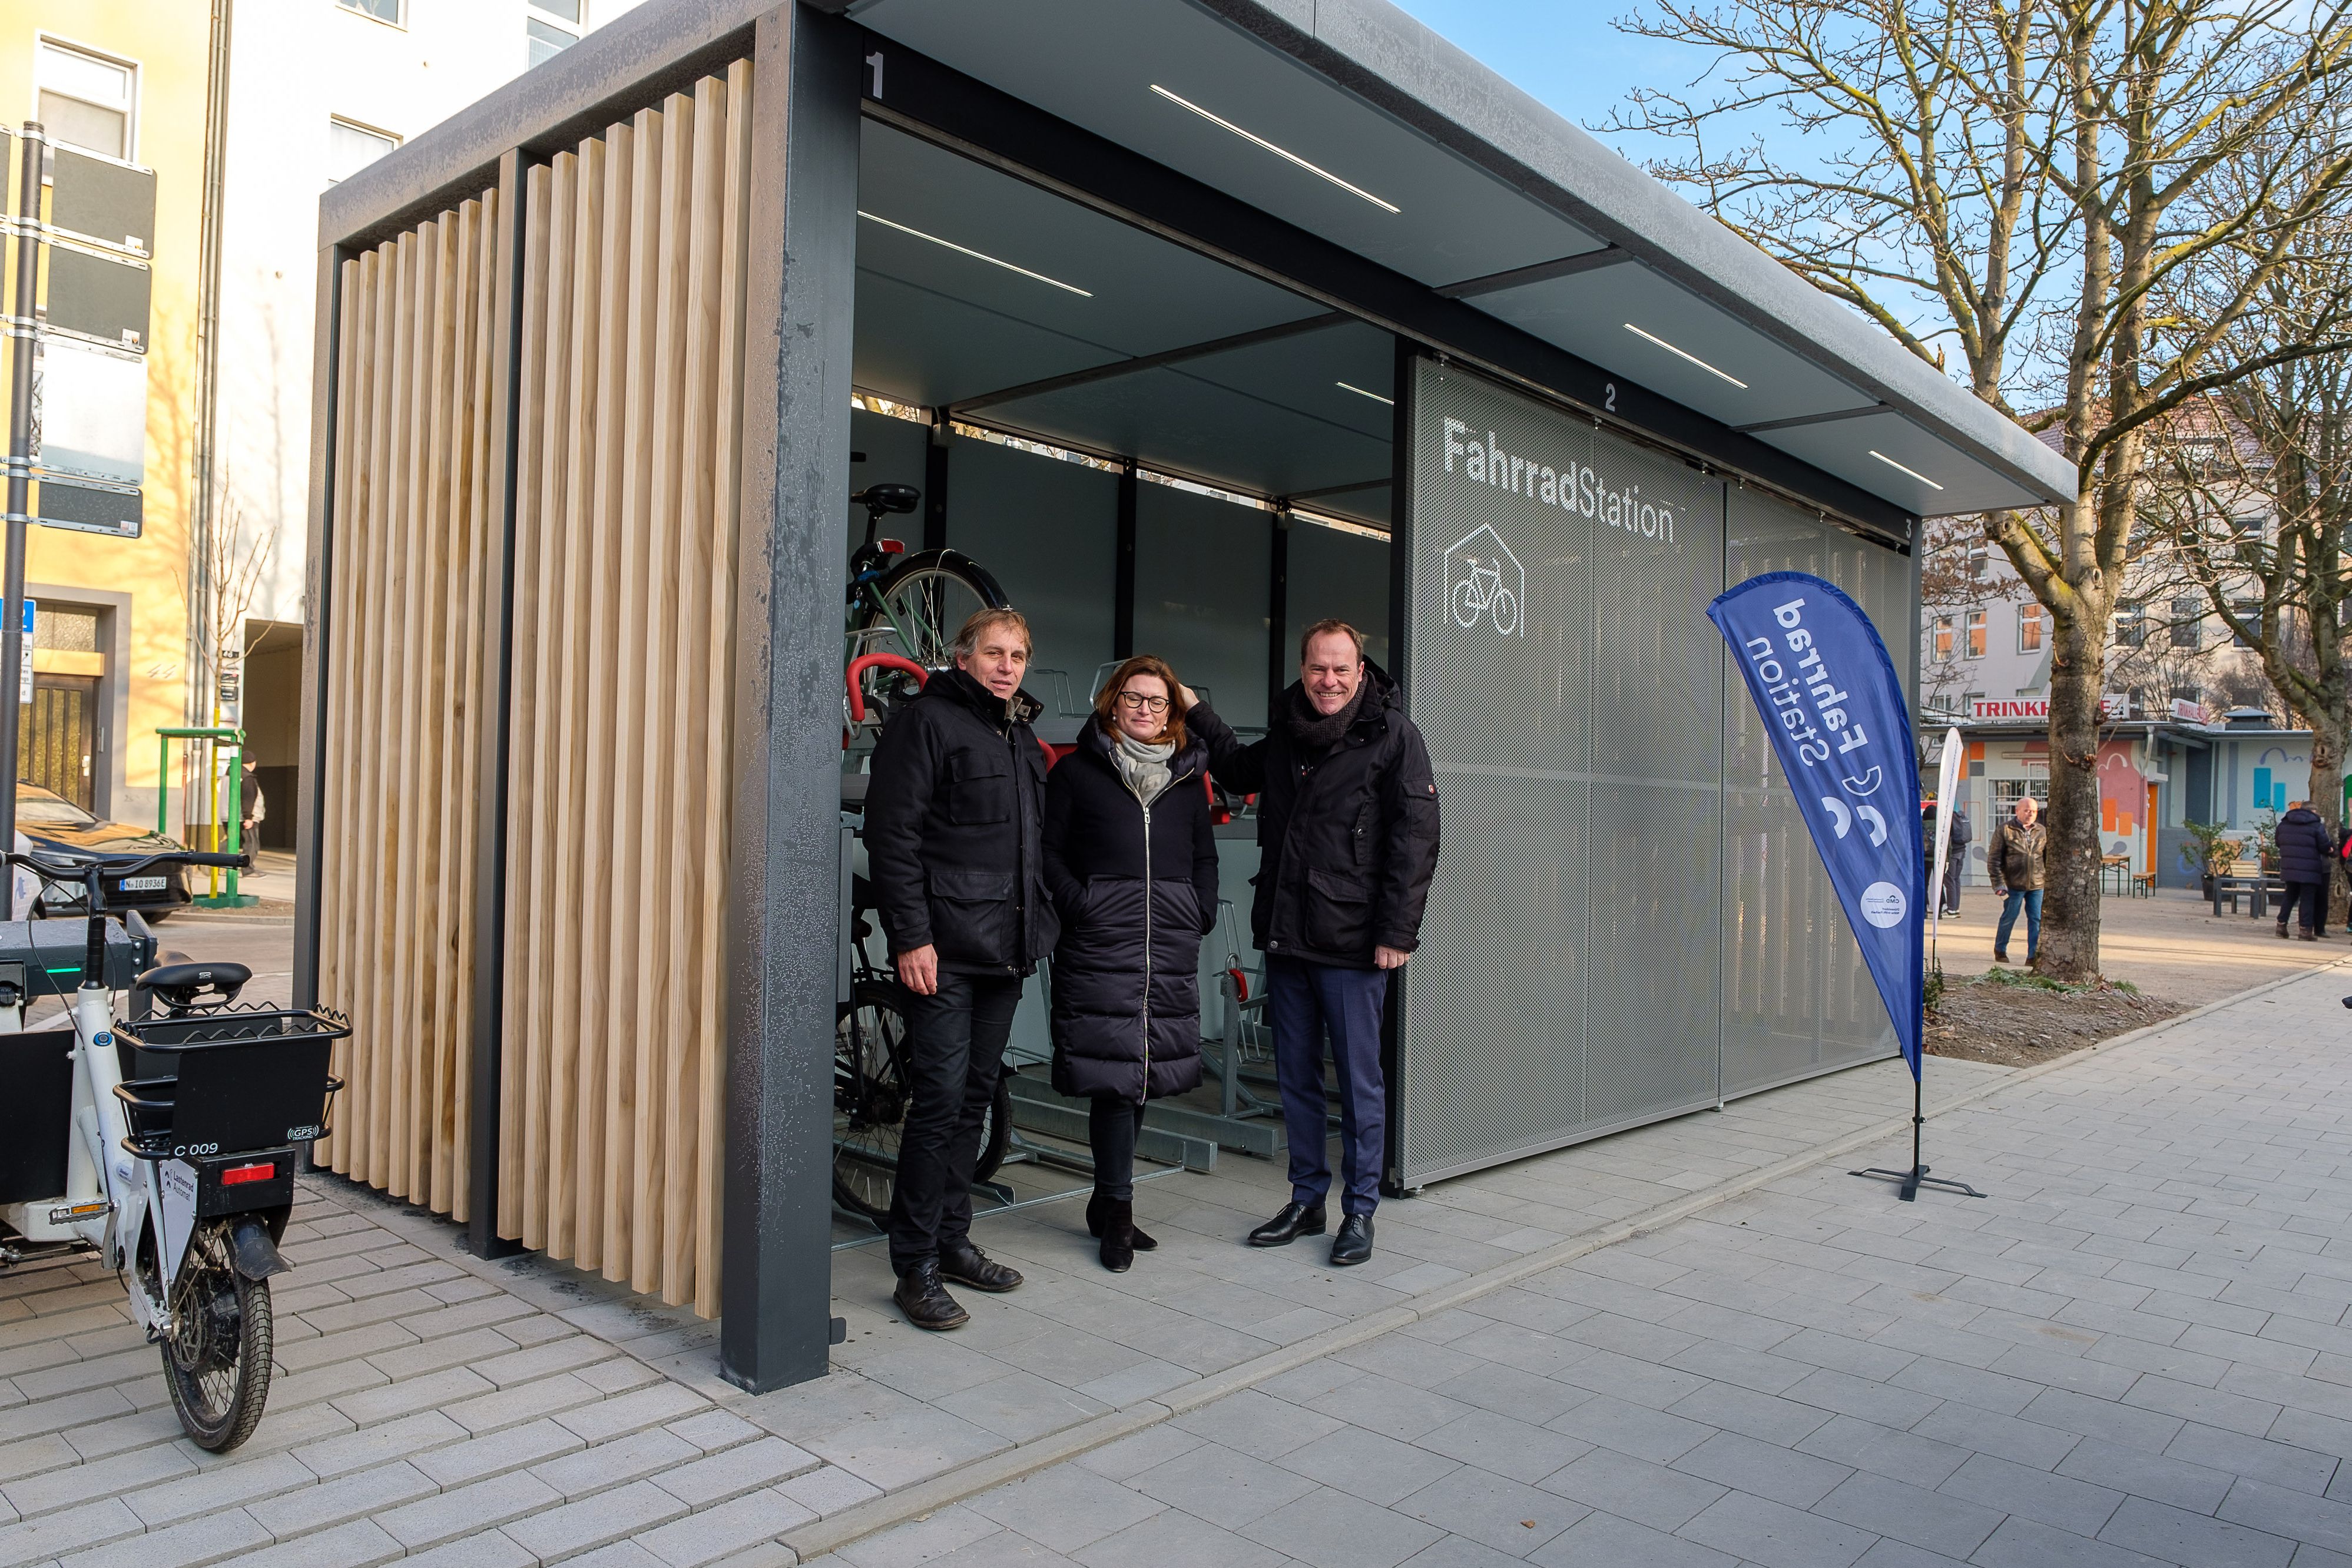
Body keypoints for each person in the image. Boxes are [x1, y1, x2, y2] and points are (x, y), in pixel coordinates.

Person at [1182, 621, 1440, 1268]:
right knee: (1295, 1076)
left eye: (1340, 670)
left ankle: (1359, 1209)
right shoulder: (1289, 735)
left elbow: (1416, 839)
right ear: (1303, 669)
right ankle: (1305, 1199)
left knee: (1358, 1083)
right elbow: (1238, 771)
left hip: (1355, 943)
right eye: (1318, 669)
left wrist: (1396, 933)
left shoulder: (1393, 737)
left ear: (1361, 672)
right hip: (1288, 932)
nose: (1328, 681)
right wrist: (1193, 709)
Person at [864, 607, 1055, 1331]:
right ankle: (913, 1265)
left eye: (1018, 655)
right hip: (941, 949)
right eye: (994, 653)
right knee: (939, 1102)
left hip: (1003, 949)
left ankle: (951, 1239)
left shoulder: (1018, 735)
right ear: (962, 656)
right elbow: (893, 833)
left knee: (973, 1099)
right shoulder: (927, 723)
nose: (1007, 666)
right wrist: (910, 936)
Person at [1041, 655, 1218, 1272]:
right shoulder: (1075, 774)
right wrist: (1081, 904)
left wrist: (1199, 909)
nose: (1145, 709)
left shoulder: (1186, 778)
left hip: (1167, 937)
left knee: (1141, 1071)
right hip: (1101, 940)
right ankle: (1117, 1209)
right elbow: (1049, 854)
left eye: (1158, 702)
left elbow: (1203, 853)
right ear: (1113, 702)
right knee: (1116, 1079)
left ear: (1172, 714)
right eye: (1134, 698)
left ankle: (1104, 1200)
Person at [1987, 795, 2048, 964]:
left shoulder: (2041, 830)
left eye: (2034, 811)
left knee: (2036, 919)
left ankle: (2033, 956)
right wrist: (1998, 884)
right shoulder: (2005, 830)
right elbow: (1994, 859)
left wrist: (2047, 879)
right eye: (2027, 810)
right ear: (2017, 811)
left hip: (2037, 884)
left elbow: (2047, 857)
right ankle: (2000, 950)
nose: (2030, 814)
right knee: (2009, 917)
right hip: (2013, 884)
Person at [2273, 800, 2335, 942]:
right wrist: (2330, 849)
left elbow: (2278, 842)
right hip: (2310, 869)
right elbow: (2325, 846)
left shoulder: (2284, 824)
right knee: (2307, 899)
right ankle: (2305, 931)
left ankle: (2281, 926)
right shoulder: (2316, 826)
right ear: (2313, 812)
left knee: (2289, 897)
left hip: (2289, 867)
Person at [1941, 800, 1972, 917]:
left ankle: (1951, 909)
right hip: (1962, 851)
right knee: (1956, 879)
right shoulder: (1960, 816)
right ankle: (1956, 908)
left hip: (1952, 853)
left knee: (1949, 880)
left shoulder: (1949, 818)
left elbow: (1947, 838)